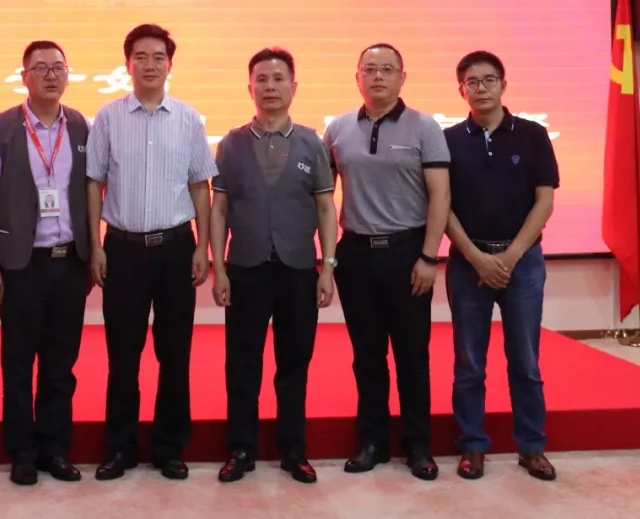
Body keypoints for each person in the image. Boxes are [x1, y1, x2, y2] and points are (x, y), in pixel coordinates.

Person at [86, 23, 219, 481]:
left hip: (175, 249)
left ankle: (169, 447)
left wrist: (203, 246)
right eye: (140, 56)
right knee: (122, 356)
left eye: (158, 57)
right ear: (127, 64)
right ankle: (120, 448)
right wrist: (95, 246)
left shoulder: (188, 119)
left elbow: (200, 186)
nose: (149, 64)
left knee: (174, 353)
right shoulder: (108, 118)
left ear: (169, 65)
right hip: (122, 250)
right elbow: (94, 183)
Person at [210, 47, 338, 484]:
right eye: (261, 79)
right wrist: (219, 268)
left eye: (278, 78)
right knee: (242, 364)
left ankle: (293, 450)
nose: (270, 86)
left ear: (293, 87)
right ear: (250, 87)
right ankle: (241, 448)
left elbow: (326, 208)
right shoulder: (231, 144)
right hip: (245, 268)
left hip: (297, 269)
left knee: (294, 363)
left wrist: (327, 267)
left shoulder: (311, 143)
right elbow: (219, 209)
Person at [323, 43, 450, 481]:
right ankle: (372, 440)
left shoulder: (424, 127)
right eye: (370, 69)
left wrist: (430, 256)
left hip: (408, 253)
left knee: (412, 355)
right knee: (367, 356)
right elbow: (321, 198)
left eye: (387, 69)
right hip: (356, 255)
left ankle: (418, 443)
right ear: (357, 76)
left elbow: (440, 195)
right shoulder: (337, 129)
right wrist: (326, 259)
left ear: (402, 77)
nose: (378, 76)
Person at [0, 40, 92, 486]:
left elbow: (91, 193)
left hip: (69, 262)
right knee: (19, 364)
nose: (50, 75)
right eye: (40, 68)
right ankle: (22, 452)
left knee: (61, 365)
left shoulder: (81, 125)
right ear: (24, 76)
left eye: (58, 67)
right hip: (21, 265)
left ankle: (55, 450)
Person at [443, 51, 559, 481]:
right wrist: (477, 258)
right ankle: (472, 446)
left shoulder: (532, 135)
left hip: (522, 264)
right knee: (469, 363)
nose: (481, 88)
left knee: (525, 360)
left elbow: (544, 202)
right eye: (472, 82)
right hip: (467, 264)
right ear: (462, 90)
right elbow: (441, 205)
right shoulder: (448, 140)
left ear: (503, 85)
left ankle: (531, 446)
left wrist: (509, 257)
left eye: (489, 80)